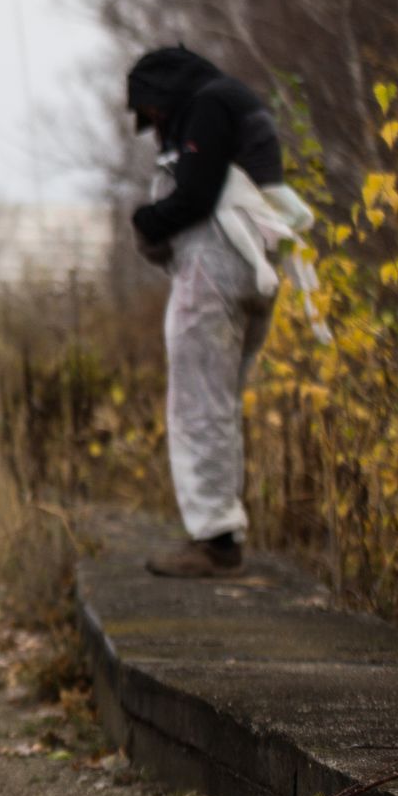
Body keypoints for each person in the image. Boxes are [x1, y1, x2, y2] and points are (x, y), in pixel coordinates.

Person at [127, 46, 299, 579]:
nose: (155, 127)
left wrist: (146, 220)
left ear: (162, 96)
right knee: (219, 403)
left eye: (152, 114)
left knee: (198, 406)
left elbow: (197, 194)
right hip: (259, 270)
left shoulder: (206, 105)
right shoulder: (242, 103)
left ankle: (215, 541)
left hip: (215, 268)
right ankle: (221, 530)